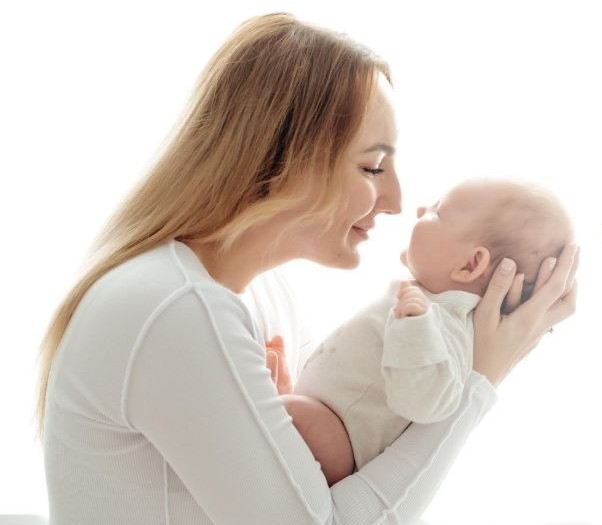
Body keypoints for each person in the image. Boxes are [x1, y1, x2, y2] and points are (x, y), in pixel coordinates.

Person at [36, 13, 578, 525]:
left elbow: (334, 473)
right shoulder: (175, 306)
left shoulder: (261, 296)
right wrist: (480, 380)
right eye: (373, 167)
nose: (395, 202)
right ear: (282, 161)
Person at [288, 178, 575, 484]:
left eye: (437, 212)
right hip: (321, 415)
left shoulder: (447, 327)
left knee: (280, 413)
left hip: (335, 439)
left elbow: (425, 403)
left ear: (470, 265)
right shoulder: (432, 307)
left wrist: (415, 328)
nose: (420, 210)